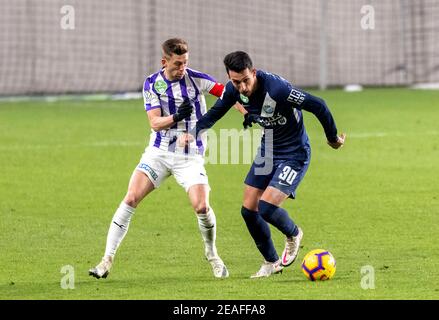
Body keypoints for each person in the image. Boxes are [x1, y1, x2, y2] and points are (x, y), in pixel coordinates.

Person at [194, 51, 346, 278]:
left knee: (267, 207)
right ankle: (271, 262)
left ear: (253, 72)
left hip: (295, 153)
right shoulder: (232, 90)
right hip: (269, 149)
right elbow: (213, 114)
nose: (242, 87)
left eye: (246, 80)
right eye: (236, 82)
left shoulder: (278, 90)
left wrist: (333, 138)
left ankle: (293, 234)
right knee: (249, 210)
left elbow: (319, 105)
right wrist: (191, 132)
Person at [89, 38, 229, 279]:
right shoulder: (152, 84)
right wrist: (177, 116)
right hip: (159, 153)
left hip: (190, 156)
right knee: (131, 198)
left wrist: (248, 111)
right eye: (177, 64)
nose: (182, 68)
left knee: (202, 206)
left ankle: (212, 254)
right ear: (164, 61)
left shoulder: (196, 78)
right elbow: (154, 123)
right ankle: (106, 260)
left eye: (185, 62)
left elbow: (227, 93)